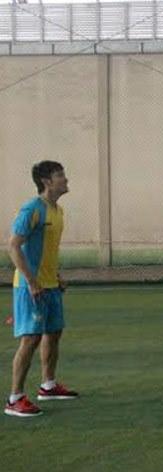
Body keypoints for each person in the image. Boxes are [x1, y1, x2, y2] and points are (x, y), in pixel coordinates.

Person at [6, 161, 78, 417]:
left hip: (50, 285)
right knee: (31, 339)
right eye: (61, 175)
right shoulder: (32, 209)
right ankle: (14, 398)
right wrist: (32, 281)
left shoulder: (58, 211)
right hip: (30, 287)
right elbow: (13, 245)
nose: (66, 179)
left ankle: (47, 386)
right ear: (47, 181)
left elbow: (48, 250)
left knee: (54, 332)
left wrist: (56, 276)